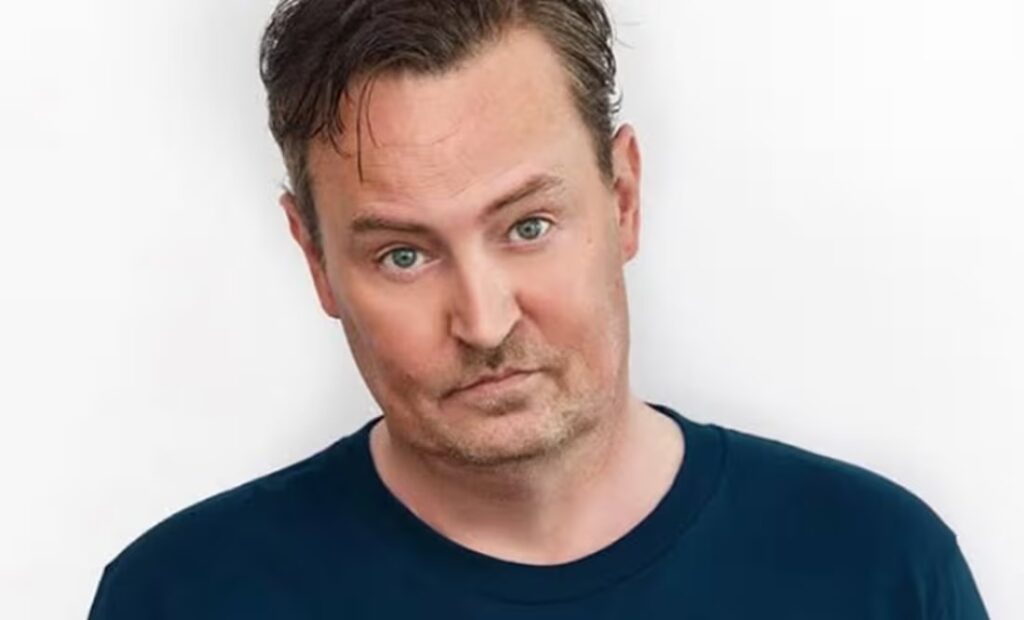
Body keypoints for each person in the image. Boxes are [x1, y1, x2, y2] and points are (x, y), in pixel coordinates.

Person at [88, 0, 988, 617]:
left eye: (527, 227)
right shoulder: (182, 598)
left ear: (623, 198)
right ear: (316, 261)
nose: (484, 322)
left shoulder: (878, 570)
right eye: (403, 254)